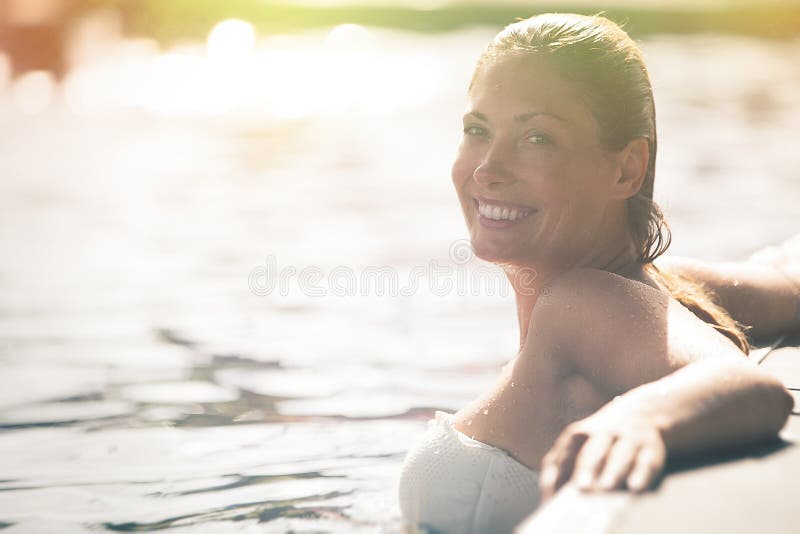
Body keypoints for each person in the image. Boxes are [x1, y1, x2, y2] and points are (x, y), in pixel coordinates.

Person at [397, 13, 797, 534]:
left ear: (626, 169)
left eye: (537, 138)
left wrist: (640, 416)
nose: (487, 169)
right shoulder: (668, 285)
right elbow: (787, 284)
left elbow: (748, 386)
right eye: (477, 130)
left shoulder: (582, 300)